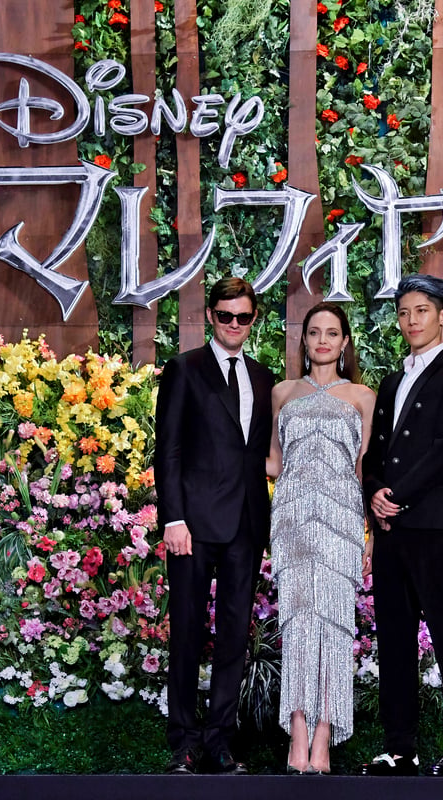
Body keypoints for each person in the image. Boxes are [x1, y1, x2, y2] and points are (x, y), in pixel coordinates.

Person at [360, 274, 443, 777]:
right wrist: (373, 493)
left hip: (430, 523)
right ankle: (400, 747)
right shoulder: (390, 382)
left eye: (422, 311)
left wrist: (397, 496)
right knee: (393, 638)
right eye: (405, 312)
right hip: (390, 531)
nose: (412, 321)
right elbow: (376, 452)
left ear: (442, 316)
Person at [154, 277, 276, 775]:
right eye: (224, 316)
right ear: (209, 315)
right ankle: (183, 740)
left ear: (253, 320)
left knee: (232, 636)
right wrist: (173, 518)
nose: (233, 325)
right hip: (194, 526)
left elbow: (263, 454)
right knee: (186, 631)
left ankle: (220, 740)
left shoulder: (265, 377)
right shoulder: (185, 368)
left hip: (246, 524)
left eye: (242, 317)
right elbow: (169, 450)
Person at [266, 302, 376, 775]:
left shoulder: (362, 396)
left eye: (333, 332)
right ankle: (296, 732)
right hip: (290, 520)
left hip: (342, 522)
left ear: (345, 341)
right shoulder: (281, 393)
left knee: (333, 627)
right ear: (304, 340)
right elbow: (272, 462)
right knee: (296, 626)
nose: (324, 340)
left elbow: (364, 469)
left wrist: (370, 532)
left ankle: (324, 735)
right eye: (315, 332)